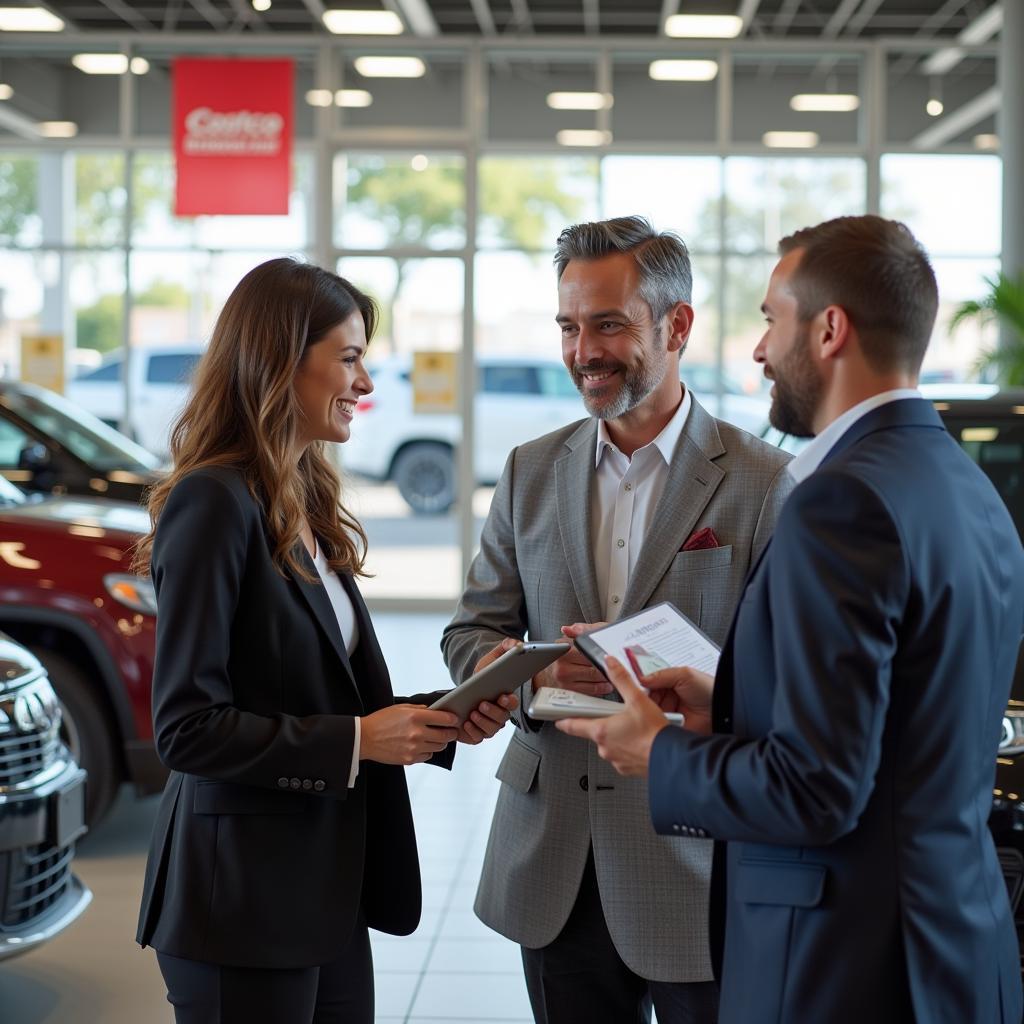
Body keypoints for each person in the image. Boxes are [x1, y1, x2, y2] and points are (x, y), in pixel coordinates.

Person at [558, 215, 1024, 1024]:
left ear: (830, 330)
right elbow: (897, 730)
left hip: (849, 961)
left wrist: (660, 751)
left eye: (773, 318)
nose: (760, 349)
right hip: (955, 943)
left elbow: (817, 791)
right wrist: (727, 709)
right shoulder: (959, 480)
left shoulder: (840, 501)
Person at [134, 257, 516, 1024]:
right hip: (239, 899)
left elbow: (318, 693)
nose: (367, 383)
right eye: (348, 358)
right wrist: (357, 743)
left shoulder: (301, 496)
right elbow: (186, 729)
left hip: (322, 891)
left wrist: (441, 716)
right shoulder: (212, 503)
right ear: (280, 360)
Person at [441, 215, 793, 1023]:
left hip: (696, 860)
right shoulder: (532, 469)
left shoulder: (767, 481)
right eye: (569, 326)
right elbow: (469, 631)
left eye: (608, 324)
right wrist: (522, 676)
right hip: (553, 855)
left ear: (677, 326)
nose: (582, 351)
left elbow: (784, 682)